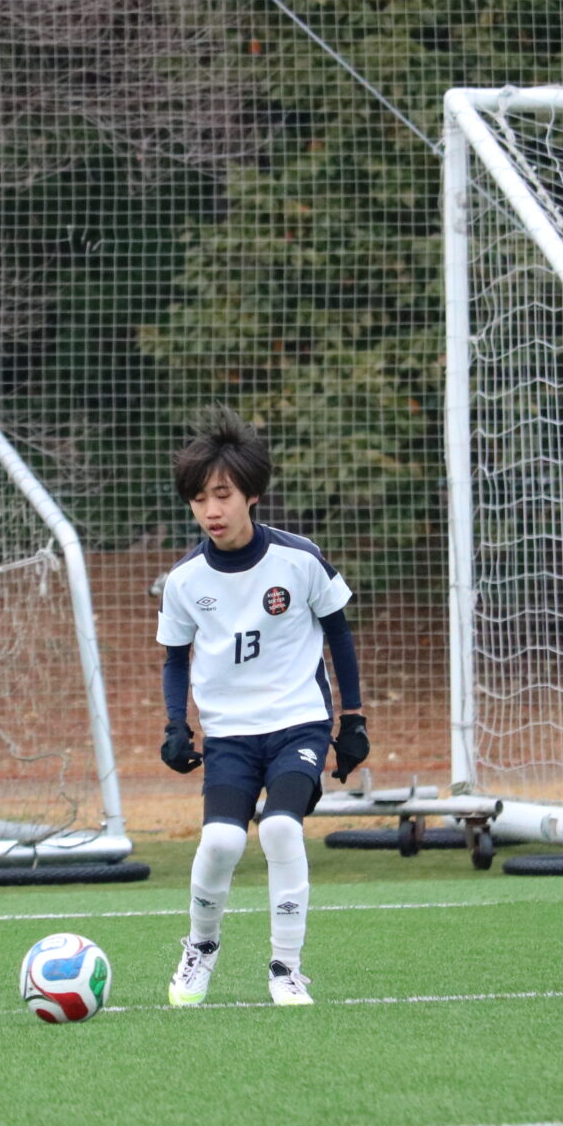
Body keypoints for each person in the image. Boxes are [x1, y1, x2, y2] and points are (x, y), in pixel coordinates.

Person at [155, 410, 369, 1007]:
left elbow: (339, 635)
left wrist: (353, 720)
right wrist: (176, 725)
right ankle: (200, 949)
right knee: (222, 843)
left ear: (251, 493)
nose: (211, 510)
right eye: (199, 498)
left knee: (279, 826)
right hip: (229, 736)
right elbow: (175, 658)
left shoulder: (299, 559)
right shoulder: (184, 580)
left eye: (222, 494)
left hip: (298, 724)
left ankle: (286, 969)